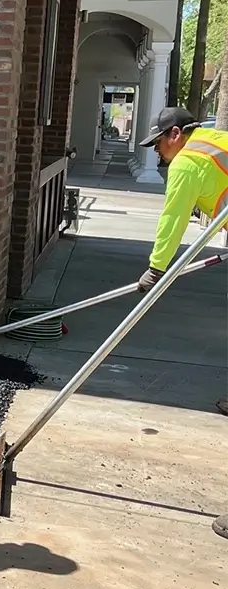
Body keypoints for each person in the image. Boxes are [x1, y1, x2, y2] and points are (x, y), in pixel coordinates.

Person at [136, 106, 228, 541]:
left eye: (159, 144)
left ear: (176, 133)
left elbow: (172, 217)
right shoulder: (215, 142)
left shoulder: (188, 159)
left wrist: (156, 268)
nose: (158, 153)